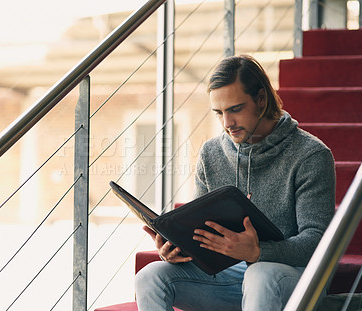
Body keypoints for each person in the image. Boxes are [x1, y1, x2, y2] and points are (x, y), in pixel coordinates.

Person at [135, 54, 336, 311]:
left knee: (259, 274)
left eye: (235, 109)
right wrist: (179, 247)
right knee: (150, 276)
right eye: (219, 113)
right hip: (232, 277)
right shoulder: (211, 153)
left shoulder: (310, 155)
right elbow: (203, 232)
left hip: (296, 277)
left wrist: (258, 253)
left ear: (261, 100)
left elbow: (318, 242)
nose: (227, 123)